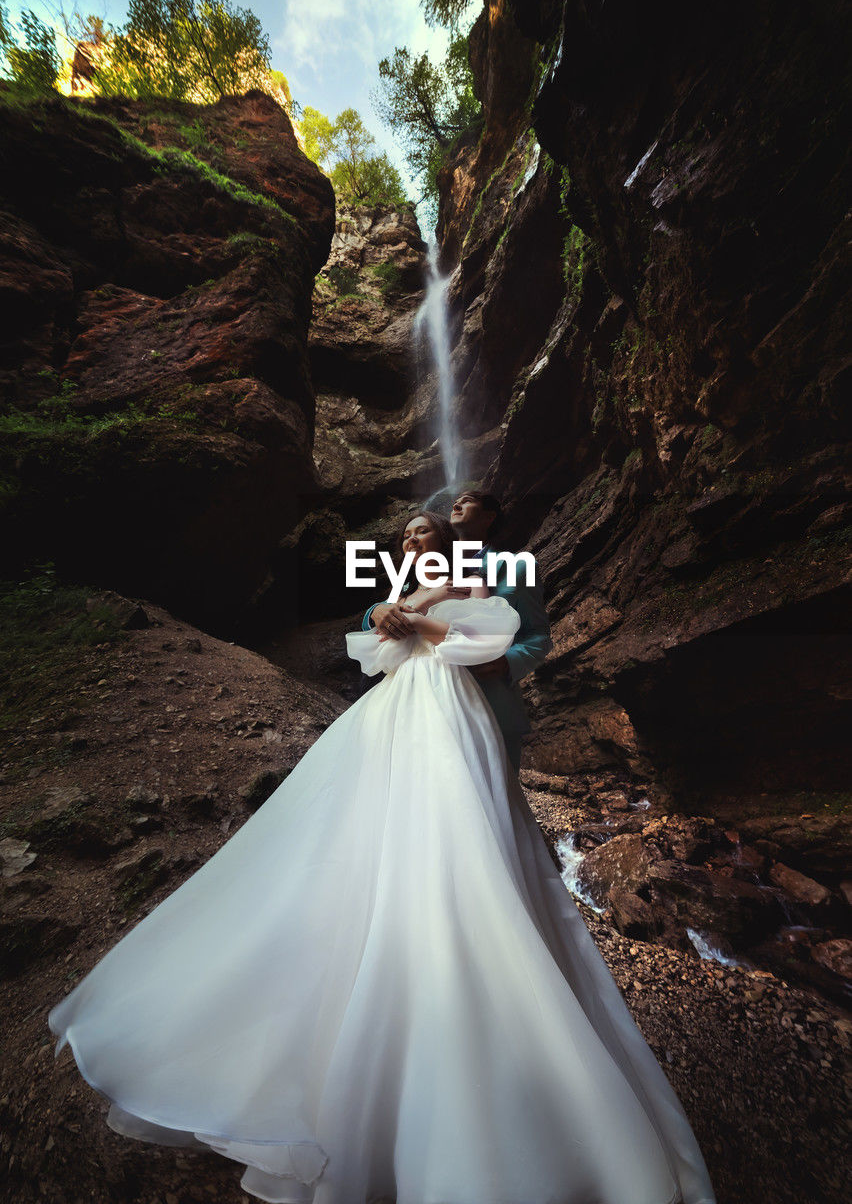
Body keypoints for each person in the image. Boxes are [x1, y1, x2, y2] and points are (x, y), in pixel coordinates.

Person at [47, 509, 717, 1204]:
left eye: (425, 530)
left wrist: (421, 626)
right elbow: (374, 651)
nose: (413, 538)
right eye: (406, 534)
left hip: (457, 707)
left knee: (462, 827)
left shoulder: (478, 578)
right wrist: (396, 623)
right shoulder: (394, 591)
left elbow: (492, 648)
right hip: (396, 711)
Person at [362, 489, 552, 772]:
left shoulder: (513, 566)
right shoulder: (410, 582)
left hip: (487, 699)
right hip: (414, 704)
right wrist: (373, 612)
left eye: (469, 500)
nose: (457, 503)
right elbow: (395, 609)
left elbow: (536, 634)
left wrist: (507, 661)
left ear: (490, 517)